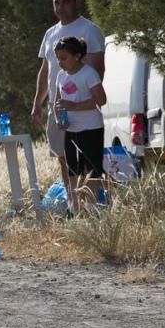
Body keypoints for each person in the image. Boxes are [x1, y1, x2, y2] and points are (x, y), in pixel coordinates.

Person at [31, 0, 105, 190]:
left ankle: (89, 205)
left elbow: (98, 71)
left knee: (87, 160)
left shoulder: (90, 30)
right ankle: (73, 204)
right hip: (58, 107)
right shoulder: (50, 33)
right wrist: (38, 103)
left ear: (77, 3)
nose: (61, 7)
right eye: (56, 2)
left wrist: (84, 103)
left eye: (65, 2)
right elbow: (46, 70)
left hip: (83, 109)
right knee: (63, 157)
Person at [54, 37, 107, 215]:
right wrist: (59, 118)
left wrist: (74, 107)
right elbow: (58, 101)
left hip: (91, 127)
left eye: (64, 58)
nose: (60, 62)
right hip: (71, 129)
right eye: (58, 58)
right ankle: (76, 210)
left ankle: (93, 209)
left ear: (77, 56)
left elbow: (101, 100)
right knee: (73, 171)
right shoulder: (61, 75)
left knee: (91, 170)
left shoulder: (88, 74)